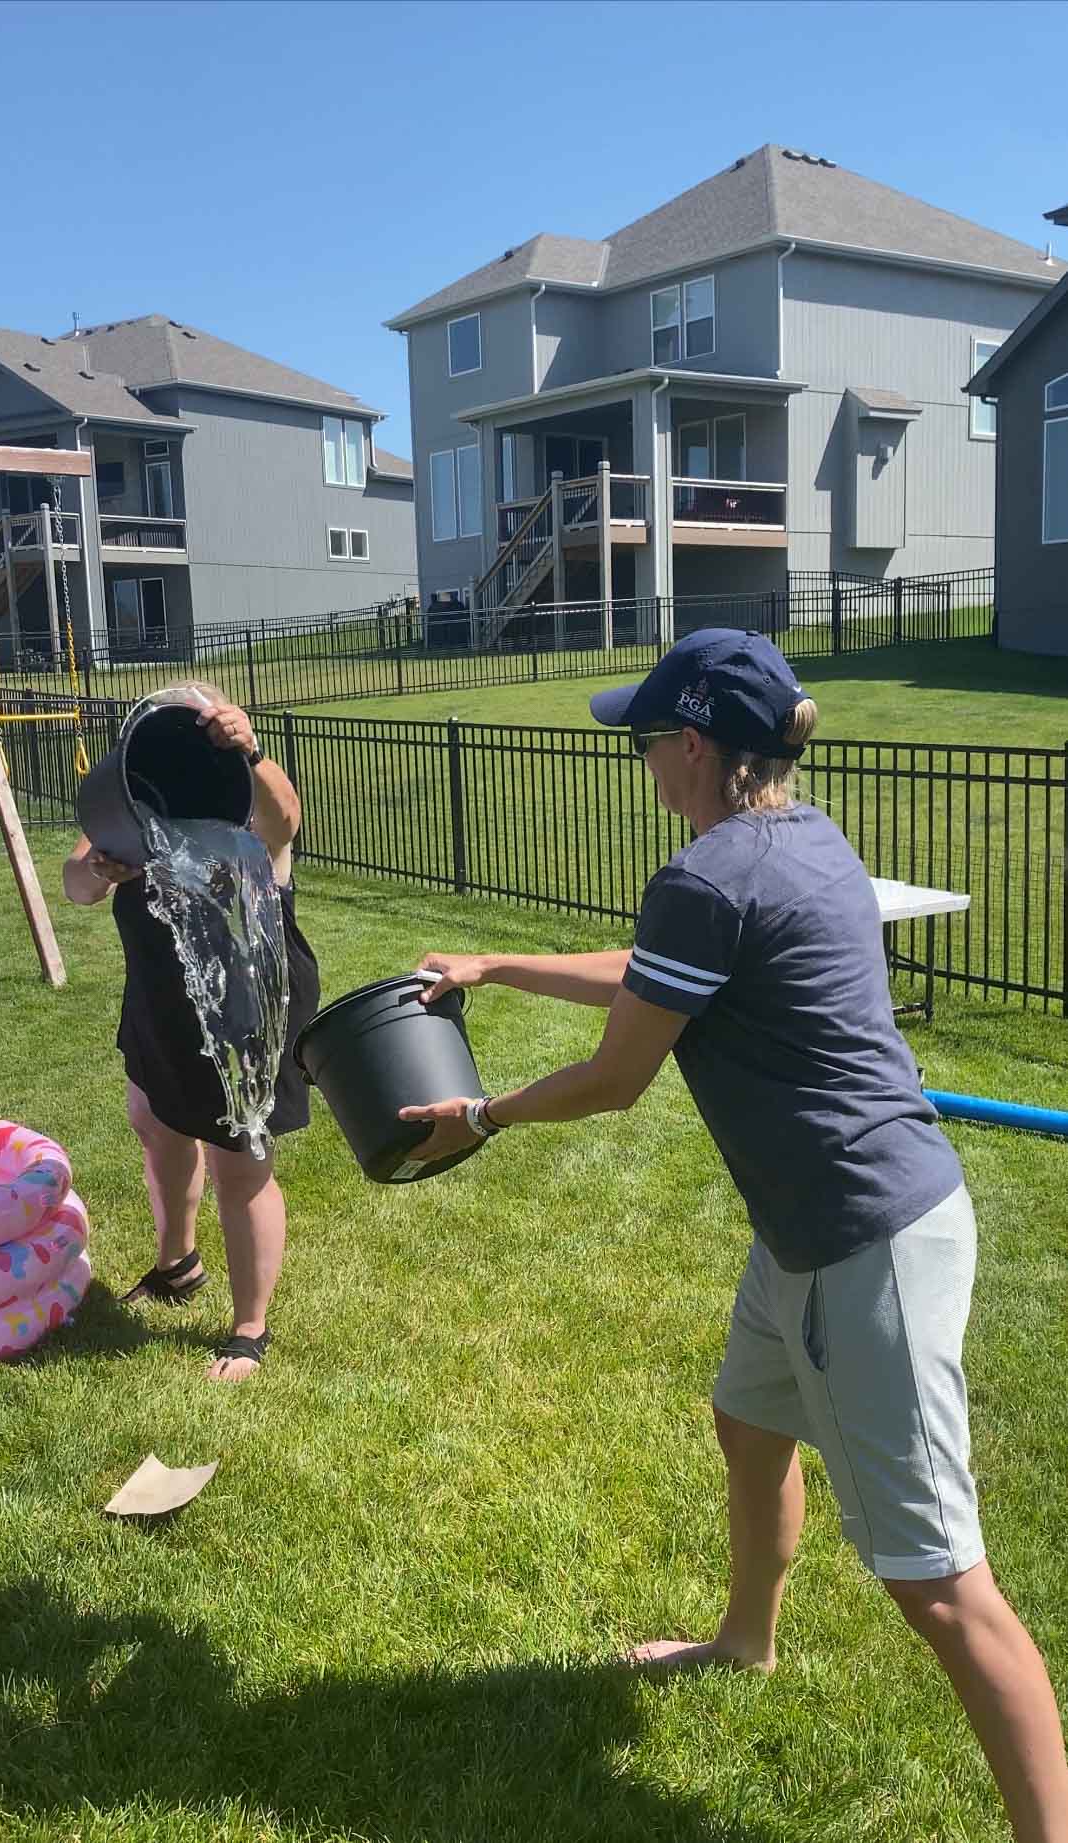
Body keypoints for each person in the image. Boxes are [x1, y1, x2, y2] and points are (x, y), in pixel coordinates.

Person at [399, 629, 1068, 1842]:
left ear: (694, 745)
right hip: (820, 1230)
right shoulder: (797, 840)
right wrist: (498, 963)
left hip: (864, 1243)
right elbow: (661, 974)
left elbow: (617, 1078)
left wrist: (481, 1117)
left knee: (942, 1585)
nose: (645, 761)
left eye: (650, 741)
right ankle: (744, 1642)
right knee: (749, 1422)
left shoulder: (709, 875)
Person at [63, 695, 319, 1383]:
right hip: (160, 1004)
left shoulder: (244, 806)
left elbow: (285, 820)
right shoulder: (136, 808)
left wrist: (252, 752)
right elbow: (75, 885)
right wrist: (100, 869)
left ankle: (249, 1328)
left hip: (244, 1018)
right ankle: (177, 1264)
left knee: (240, 1162)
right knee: (154, 1120)